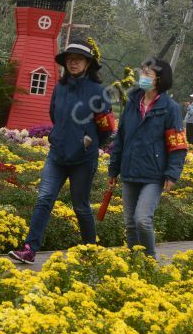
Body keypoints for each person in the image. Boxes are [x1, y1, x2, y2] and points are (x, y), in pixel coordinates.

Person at [8, 41, 114, 264]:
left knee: (80, 206)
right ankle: (30, 248)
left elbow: (106, 128)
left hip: (83, 160)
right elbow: (55, 116)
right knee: (44, 199)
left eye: (78, 59)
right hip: (57, 155)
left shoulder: (98, 92)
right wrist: (62, 137)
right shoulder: (60, 87)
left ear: (88, 63)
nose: (73, 62)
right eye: (69, 58)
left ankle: (90, 250)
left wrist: (88, 142)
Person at [108, 58, 188, 257]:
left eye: (147, 74)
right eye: (142, 72)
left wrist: (172, 174)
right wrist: (113, 169)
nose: (142, 77)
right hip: (129, 170)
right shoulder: (132, 103)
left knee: (142, 219)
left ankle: (150, 261)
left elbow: (177, 145)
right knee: (130, 223)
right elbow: (121, 138)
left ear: (159, 79)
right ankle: (134, 262)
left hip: (154, 173)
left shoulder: (171, 108)